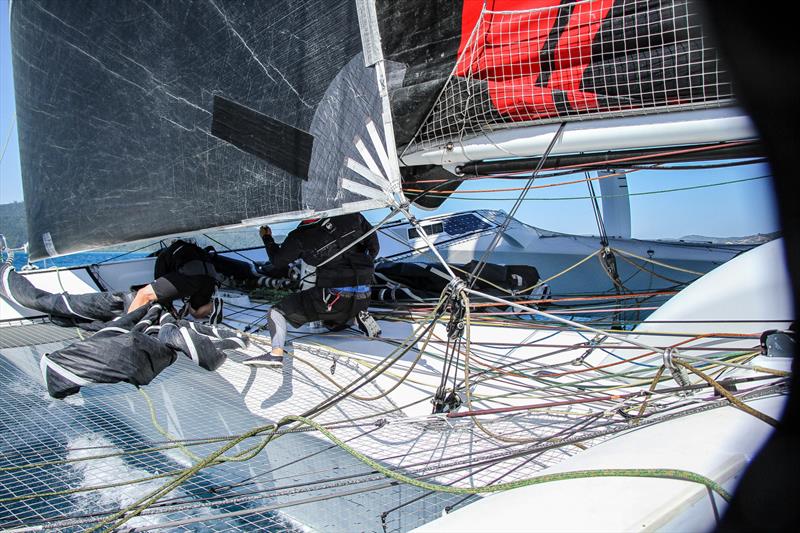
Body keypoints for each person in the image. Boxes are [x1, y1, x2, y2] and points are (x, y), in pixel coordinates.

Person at [244, 213, 381, 366]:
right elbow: (374, 248)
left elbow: (277, 261)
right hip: (364, 296)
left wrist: (267, 237)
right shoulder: (353, 216)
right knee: (335, 313)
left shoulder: (299, 236)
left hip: (332, 301)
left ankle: (276, 354)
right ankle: (357, 316)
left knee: (276, 312)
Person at [127, 239, 221, 321]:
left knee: (143, 294)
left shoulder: (165, 253)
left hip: (191, 273)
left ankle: (125, 326)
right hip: (211, 276)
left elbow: (160, 278)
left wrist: (168, 307)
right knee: (196, 312)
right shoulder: (199, 250)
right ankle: (212, 304)